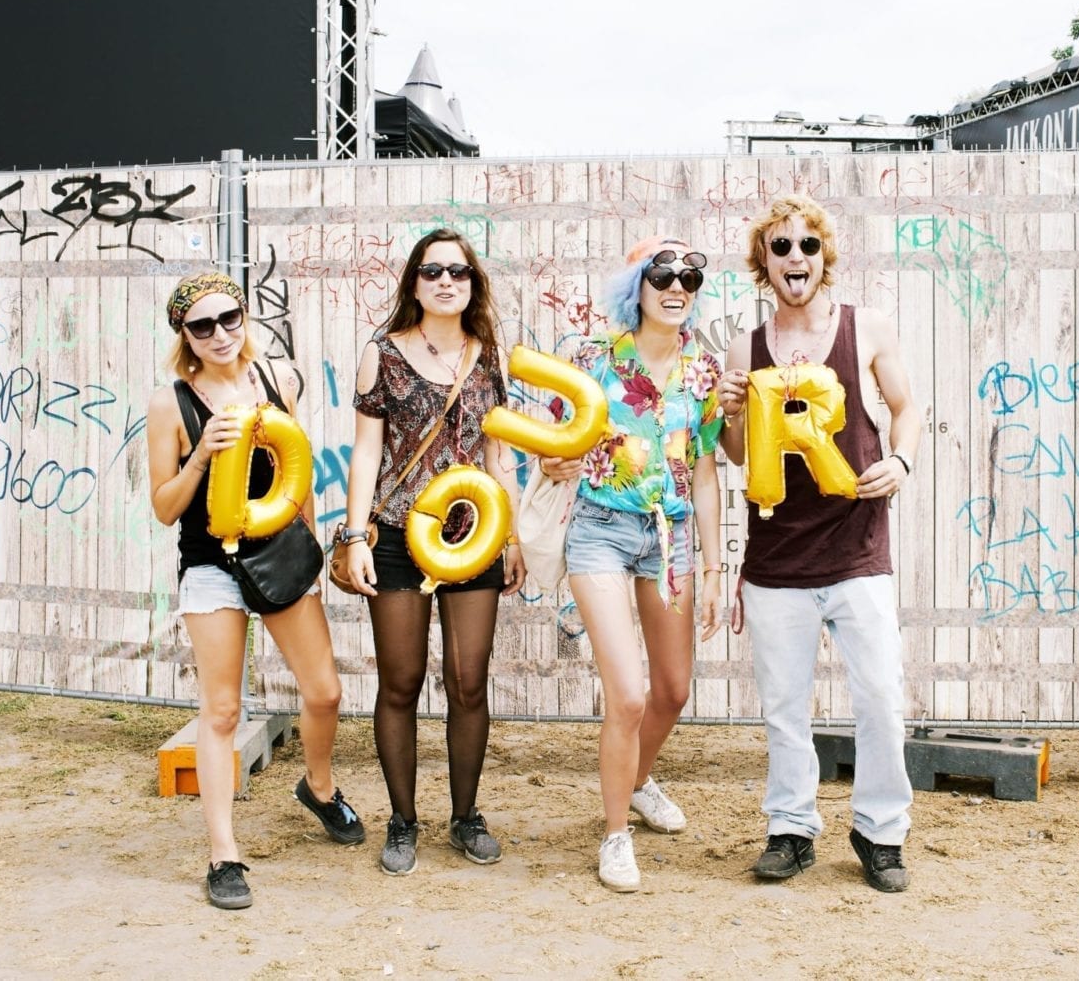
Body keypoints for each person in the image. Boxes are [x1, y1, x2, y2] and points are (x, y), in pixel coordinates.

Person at [716, 195, 920, 893]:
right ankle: (792, 828)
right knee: (783, 706)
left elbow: (908, 407)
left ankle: (881, 832)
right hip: (778, 557)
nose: (794, 258)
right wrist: (730, 412)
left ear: (823, 256)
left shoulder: (867, 329)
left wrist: (902, 460)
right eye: (780, 249)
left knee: (880, 697)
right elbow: (740, 455)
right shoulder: (746, 345)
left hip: (858, 546)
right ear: (763, 264)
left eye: (806, 246)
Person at [146, 271, 365, 911]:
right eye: (203, 326)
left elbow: (294, 469)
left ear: (246, 316)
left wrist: (309, 549)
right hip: (212, 566)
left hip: (279, 554)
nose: (220, 334)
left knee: (324, 691)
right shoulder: (172, 404)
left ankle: (319, 789)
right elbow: (164, 507)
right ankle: (223, 855)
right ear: (184, 335)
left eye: (230, 318)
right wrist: (199, 458)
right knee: (220, 712)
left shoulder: (276, 379)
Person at [537, 236, 724, 893]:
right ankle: (615, 834)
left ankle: (639, 781)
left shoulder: (703, 371)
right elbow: (553, 450)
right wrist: (557, 459)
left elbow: (702, 471)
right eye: (662, 275)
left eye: (689, 278)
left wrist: (716, 563)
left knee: (672, 690)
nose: (677, 287)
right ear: (636, 288)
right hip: (601, 533)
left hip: (669, 539)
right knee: (629, 693)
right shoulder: (590, 360)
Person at [337, 228, 526, 876]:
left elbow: (498, 451)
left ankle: (466, 817)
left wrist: (514, 534)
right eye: (432, 270)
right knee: (401, 682)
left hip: (472, 535)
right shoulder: (382, 353)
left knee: (468, 682)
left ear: (473, 284)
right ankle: (403, 820)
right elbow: (367, 450)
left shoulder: (489, 355)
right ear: (413, 282)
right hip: (396, 536)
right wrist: (354, 533)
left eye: (459, 271)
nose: (446, 281)